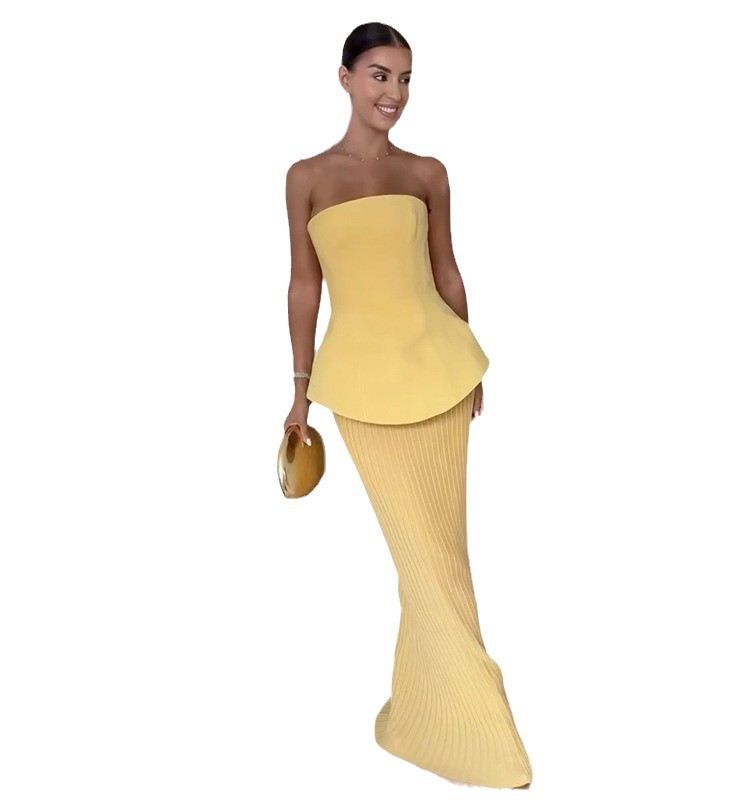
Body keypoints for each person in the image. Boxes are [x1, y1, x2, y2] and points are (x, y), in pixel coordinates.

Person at [283, 21, 533, 790]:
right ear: (345, 78)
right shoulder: (306, 177)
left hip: (439, 373)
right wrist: (298, 392)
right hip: (358, 388)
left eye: (405, 79)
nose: (393, 92)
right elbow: (304, 284)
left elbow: (447, 270)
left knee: (443, 560)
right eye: (379, 75)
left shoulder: (428, 172)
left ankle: (435, 719)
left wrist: (470, 356)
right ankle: (473, 726)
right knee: (420, 561)